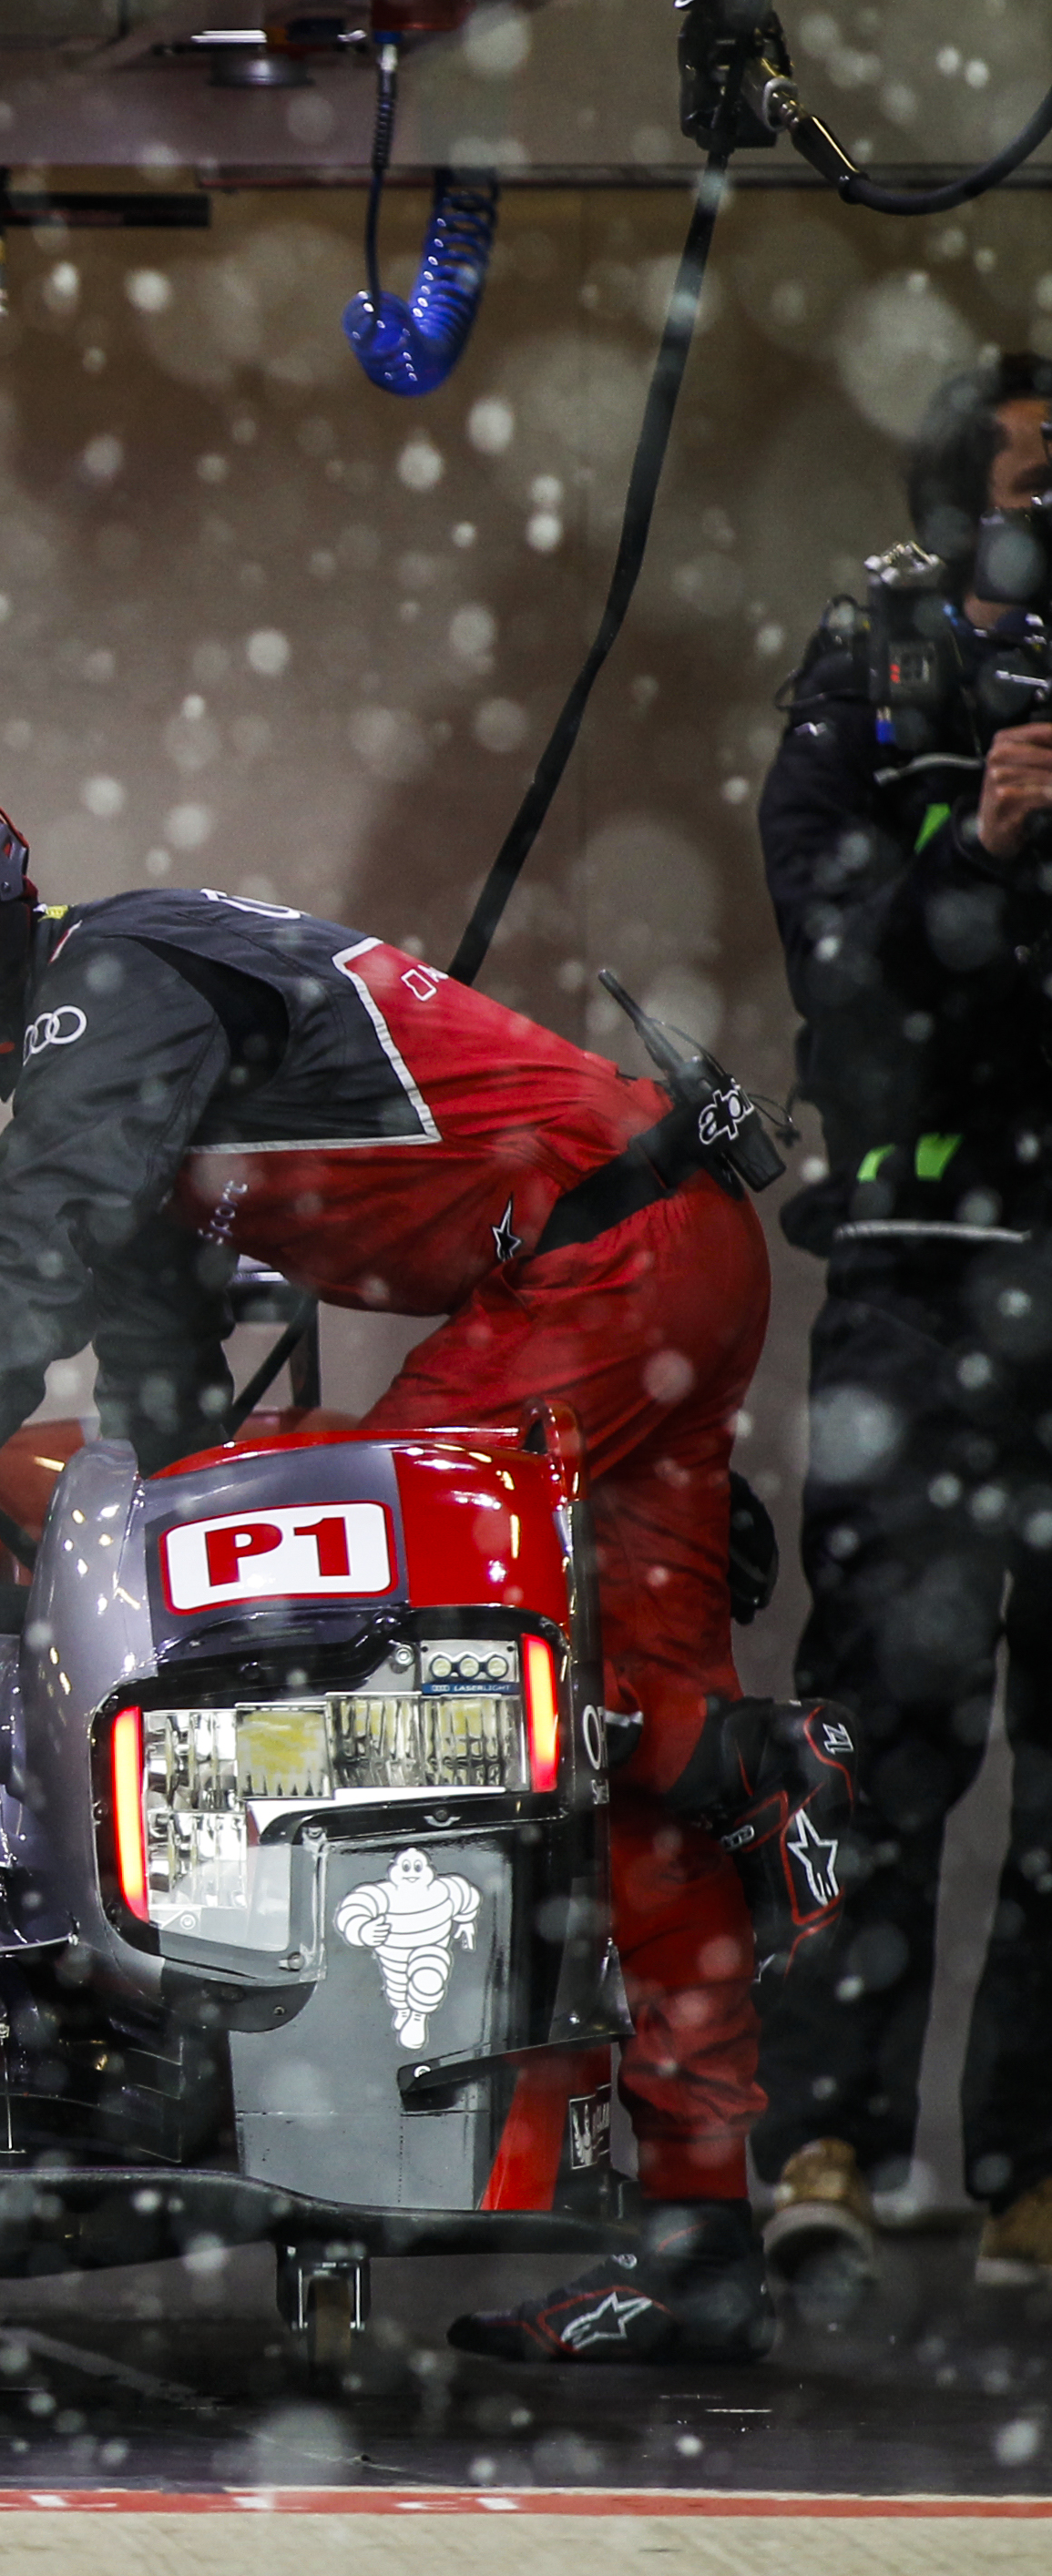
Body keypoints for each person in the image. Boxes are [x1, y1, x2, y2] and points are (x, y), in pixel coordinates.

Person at [0, 776, 849, 2365]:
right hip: (655, 1255)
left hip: (601, 1265)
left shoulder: (101, 996)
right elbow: (166, 1410)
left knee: (412, 1665)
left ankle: (768, 1766)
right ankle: (700, 2246)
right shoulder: (131, 1018)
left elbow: (33, 1251)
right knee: (603, 1754)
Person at [748, 352, 1052, 2294]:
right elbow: (843, 988)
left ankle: (1034, 2175)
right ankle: (827, 2143)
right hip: (925, 1275)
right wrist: (983, 849)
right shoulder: (871, 667)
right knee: (880, 1734)